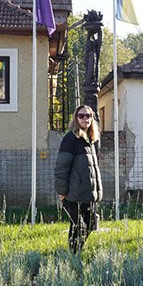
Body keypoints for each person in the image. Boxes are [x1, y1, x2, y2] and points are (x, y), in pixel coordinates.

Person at [54, 105, 103, 253]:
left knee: (89, 225)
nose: (85, 119)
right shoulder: (71, 138)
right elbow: (62, 166)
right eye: (81, 116)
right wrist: (62, 191)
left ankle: (77, 253)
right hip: (75, 195)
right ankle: (74, 256)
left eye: (88, 116)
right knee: (77, 227)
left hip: (88, 194)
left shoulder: (91, 140)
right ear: (76, 118)